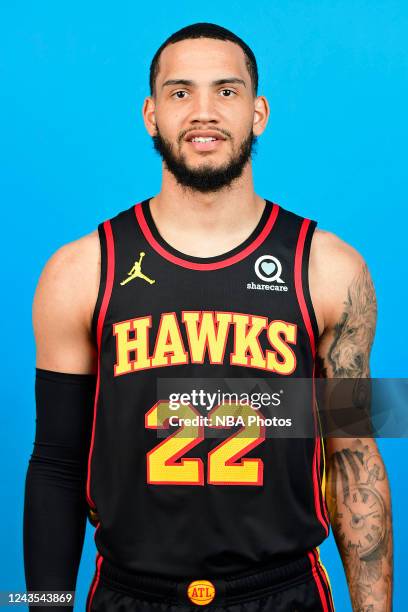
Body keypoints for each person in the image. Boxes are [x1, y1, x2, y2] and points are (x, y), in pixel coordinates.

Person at [24, 22, 393, 612]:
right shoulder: (79, 270)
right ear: (150, 114)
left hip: (283, 591)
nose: (203, 112)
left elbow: (353, 448)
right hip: (131, 592)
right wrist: (39, 606)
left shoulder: (330, 268)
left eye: (226, 91)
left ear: (258, 111)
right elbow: (57, 463)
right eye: (180, 92)